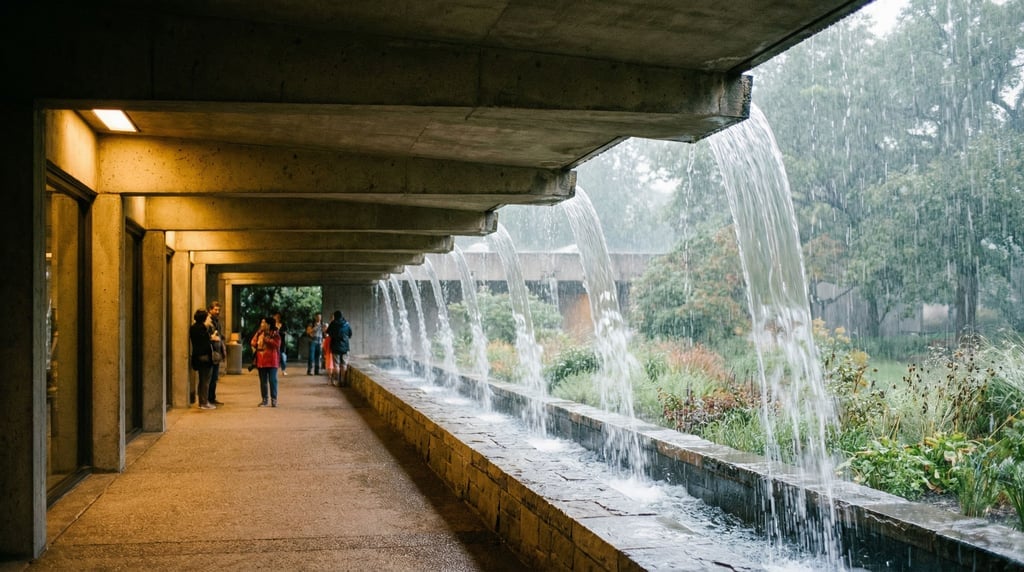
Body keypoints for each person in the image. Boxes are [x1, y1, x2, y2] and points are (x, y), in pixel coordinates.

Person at [189, 309, 217, 410]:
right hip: (205, 356)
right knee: (205, 380)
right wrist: (211, 338)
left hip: (197, 356)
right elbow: (205, 342)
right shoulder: (202, 328)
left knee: (202, 380)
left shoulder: (193, 328)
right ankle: (204, 402)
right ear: (204, 318)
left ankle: (202, 401)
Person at [250, 316, 281, 407]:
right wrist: (257, 341)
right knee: (263, 381)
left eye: (264, 323)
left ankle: (274, 399)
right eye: (261, 323)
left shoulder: (275, 334)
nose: (261, 324)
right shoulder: (259, 333)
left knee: (272, 380)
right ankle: (264, 399)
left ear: (268, 325)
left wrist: (267, 340)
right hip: (261, 360)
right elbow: (252, 342)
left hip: (272, 360)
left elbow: (277, 345)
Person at [325, 310, 353, 386]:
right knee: (344, 365)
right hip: (345, 347)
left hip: (335, 347)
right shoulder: (347, 324)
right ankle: (343, 381)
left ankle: (337, 381)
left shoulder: (333, 324)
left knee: (336, 365)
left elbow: (327, 332)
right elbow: (350, 334)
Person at [206, 301, 226, 405]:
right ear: (210, 310)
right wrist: (212, 337)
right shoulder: (208, 322)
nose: (217, 311)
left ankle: (212, 398)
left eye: (219, 310)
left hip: (216, 352)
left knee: (214, 378)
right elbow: (205, 337)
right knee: (210, 378)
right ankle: (208, 399)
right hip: (211, 352)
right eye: (215, 309)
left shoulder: (216, 321)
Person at [273, 311, 288, 376]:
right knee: (274, 357)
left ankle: (283, 370)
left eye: (278, 317)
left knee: (283, 357)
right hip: (273, 343)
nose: (277, 318)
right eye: (276, 316)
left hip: (281, 343)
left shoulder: (283, 324)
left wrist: (279, 332)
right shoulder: (272, 325)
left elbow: (285, 332)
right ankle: (273, 370)